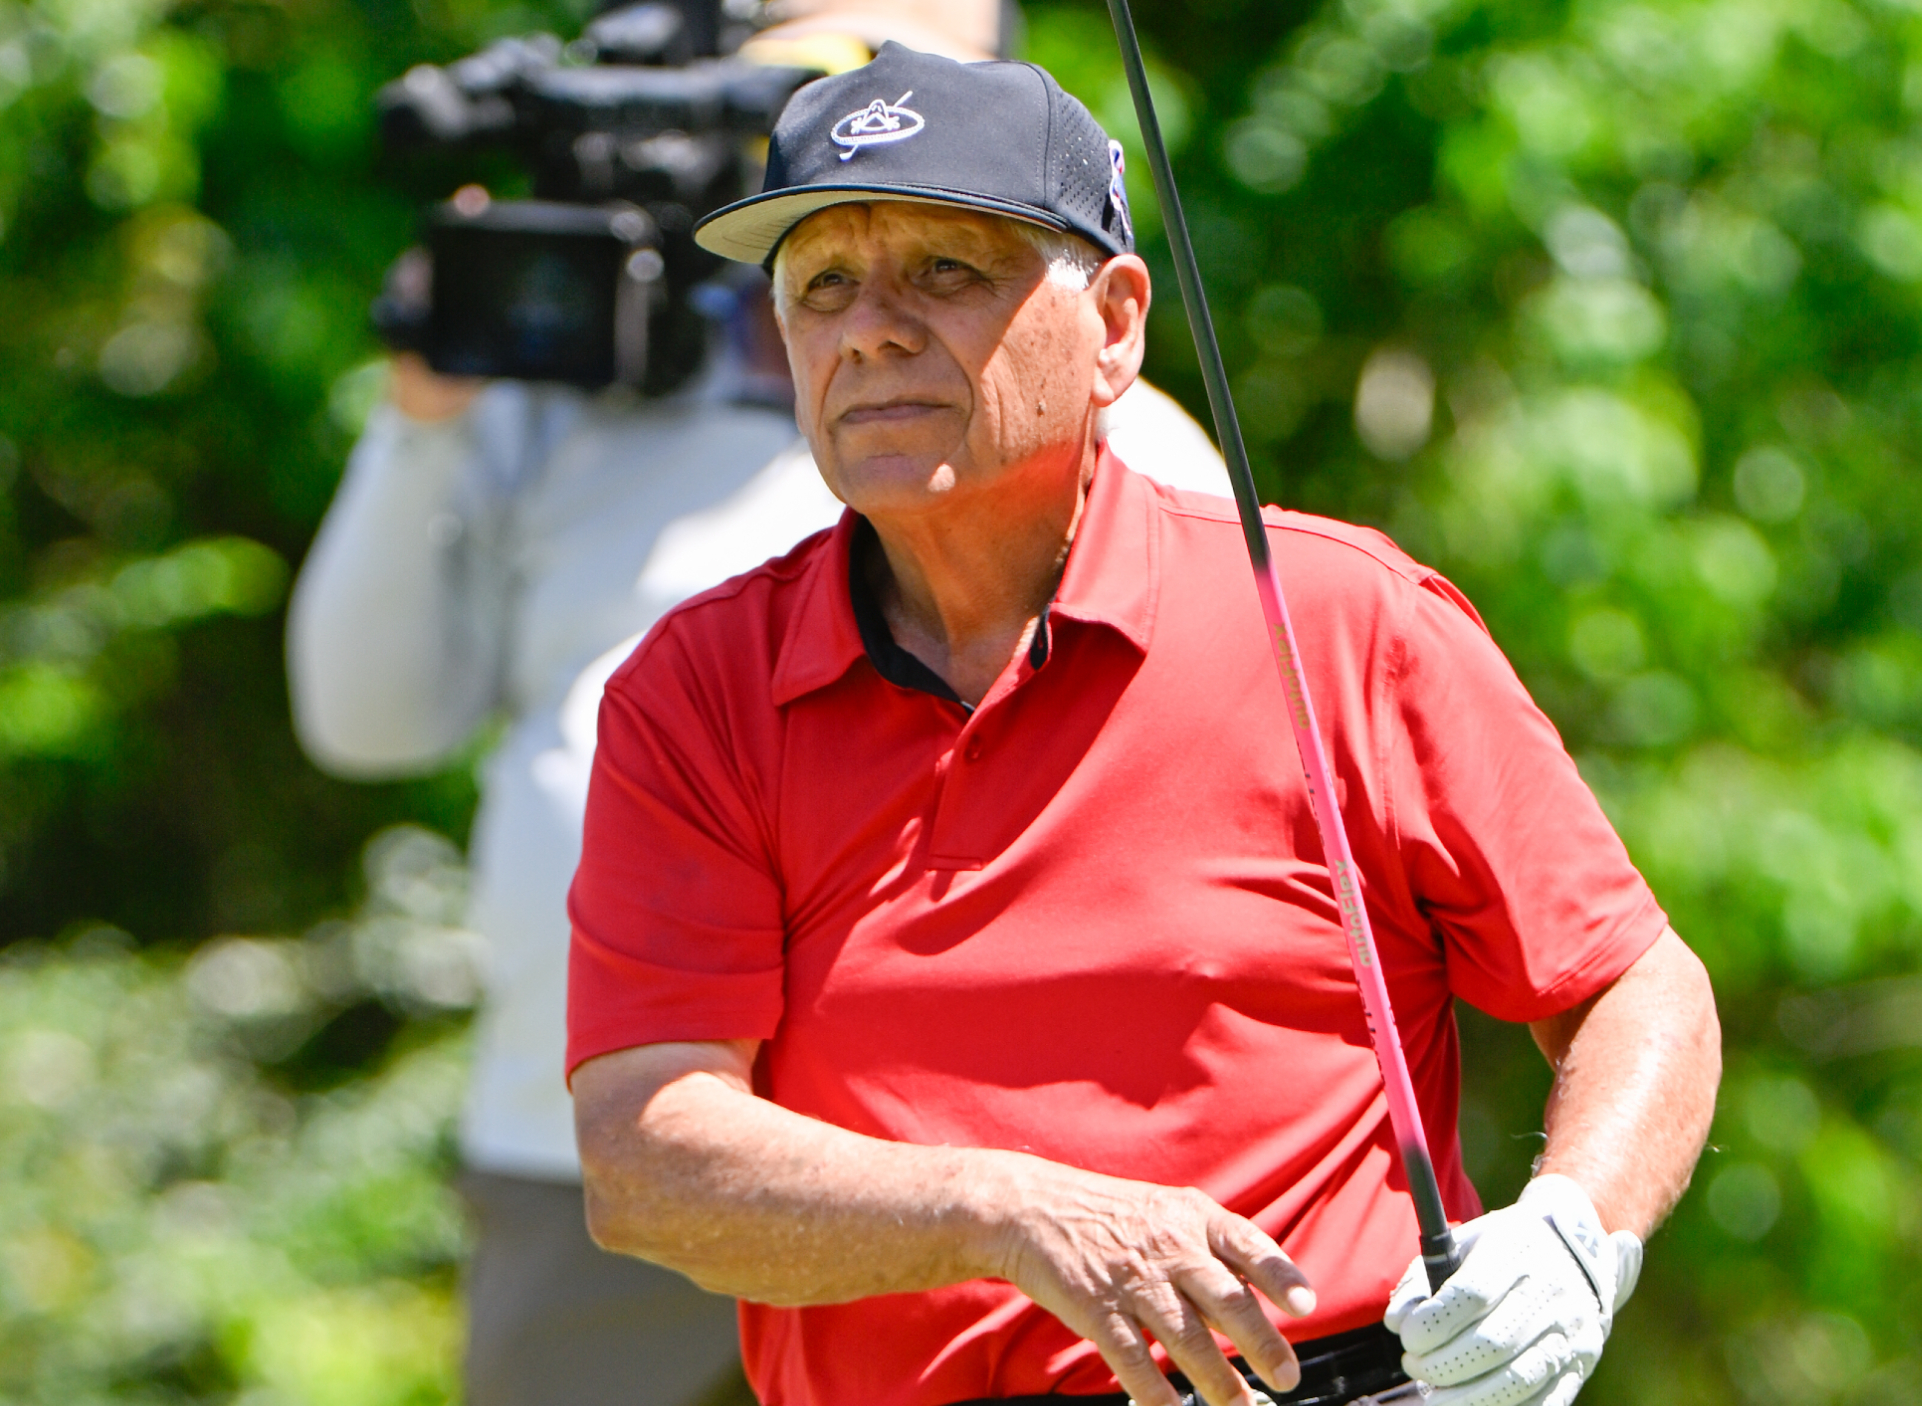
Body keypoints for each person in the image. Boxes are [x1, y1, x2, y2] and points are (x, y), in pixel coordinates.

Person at [564, 41, 1722, 1406]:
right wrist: (1008, 1209)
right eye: (821, 285)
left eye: (945, 270)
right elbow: (644, 1159)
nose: (868, 327)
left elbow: (1636, 982)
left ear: (1115, 325)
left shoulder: (1339, 617)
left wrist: (1575, 1234)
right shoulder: (697, 692)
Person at [285, 11, 1232, 1405]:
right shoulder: (558, 372)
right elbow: (366, 719)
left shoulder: (1078, 396)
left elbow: (1220, 715)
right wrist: (425, 412)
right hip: (593, 1159)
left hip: (1000, 1164)